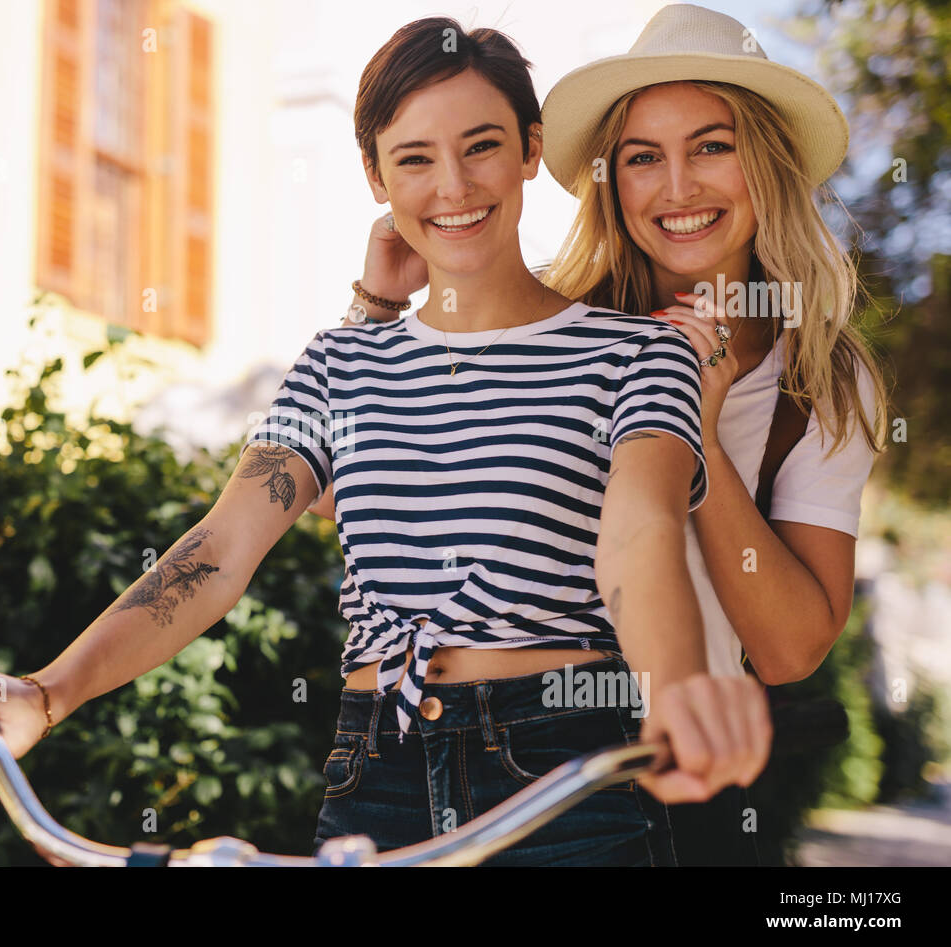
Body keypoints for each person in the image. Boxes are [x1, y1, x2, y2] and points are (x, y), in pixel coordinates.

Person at [0, 14, 772, 867]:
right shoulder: (340, 362)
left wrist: (677, 686)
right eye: (414, 158)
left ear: (529, 149)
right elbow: (219, 548)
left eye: (481, 146)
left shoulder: (637, 352)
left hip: (559, 770)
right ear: (375, 176)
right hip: (375, 774)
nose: (453, 186)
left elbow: (640, 532)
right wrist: (44, 692)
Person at [316, 3, 888, 865]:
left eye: (712, 146)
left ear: (764, 163)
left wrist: (692, 427)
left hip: (681, 772)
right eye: (642, 158)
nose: (678, 188)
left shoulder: (824, 379)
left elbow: (791, 647)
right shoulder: (542, 317)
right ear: (611, 180)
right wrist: (376, 311)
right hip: (516, 761)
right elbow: (341, 498)